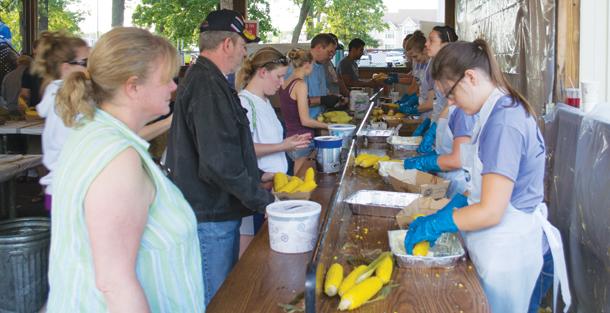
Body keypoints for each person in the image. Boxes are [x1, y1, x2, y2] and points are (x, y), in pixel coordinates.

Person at [404, 39, 571, 313]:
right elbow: (482, 186)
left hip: (510, 251)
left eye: (450, 93)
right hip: (498, 244)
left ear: (470, 76)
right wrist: (457, 205)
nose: (450, 101)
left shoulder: (504, 121)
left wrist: (437, 223)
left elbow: (492, 211)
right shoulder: (491, 112)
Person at [46, 27, 204, 312]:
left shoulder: (91, 130)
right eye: (165, 79)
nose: (173, 87)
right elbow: (115, 284)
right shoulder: (118, 161)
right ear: (133, 87)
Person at [165, 9, 275, 306]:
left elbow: (220, 149)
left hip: (214, 210)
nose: (244, 52)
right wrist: (264, 202)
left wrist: (256, 176)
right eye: (242, 45)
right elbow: (218, 163)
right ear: (227, 44)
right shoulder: (207, 86)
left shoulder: (210, 80)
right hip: (210, 215)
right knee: (217, 300)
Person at [235, 47, 311, 238]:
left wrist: (287, 142)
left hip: (275, 186)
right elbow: (244, 149)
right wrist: (284, 146)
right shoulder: (245, 103)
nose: (282, 82)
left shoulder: (265, 101)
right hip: (259, 190)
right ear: (262, 72)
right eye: (279, 76)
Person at [30, 32, 89, 211]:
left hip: (65, 191)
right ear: (66, 68)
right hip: (69, 193)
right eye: (86, 63)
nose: (93, 68)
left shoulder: (60, 97)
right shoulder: (66, 101)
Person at [403, 104, 476, 198]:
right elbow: (445, 148)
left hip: (461, 182)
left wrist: (423, 162)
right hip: (446, 179)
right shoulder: (451, 106)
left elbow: (458, 160)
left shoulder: (464, 114)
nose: (439, 89)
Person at [280, 48, 329, 174]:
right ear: (307, 64)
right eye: (313, 64)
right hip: (302, 139)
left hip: (290, 137)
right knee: (300, 183)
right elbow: (305, 120)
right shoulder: (300, 85)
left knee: (297, 179)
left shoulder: (285, 82)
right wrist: (329, 126)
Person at [414, 26, 459, 154]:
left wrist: (436, 126)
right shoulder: (436, 65)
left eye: (431, 41)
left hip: (451, 130)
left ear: (446, 45)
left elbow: (453, 103)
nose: (426, 44)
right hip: (440, 125)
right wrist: (434, 125)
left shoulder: (453, 68)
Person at [285, 33, 342, 119]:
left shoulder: (321, 66)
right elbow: (294, 101)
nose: (331, 56)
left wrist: (336, 97)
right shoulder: (298, 67)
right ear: (319, 48)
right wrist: (323, 100)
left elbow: (321, 90)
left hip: (319, 119)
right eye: (329, 52)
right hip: (304, 123)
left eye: (333, 54)